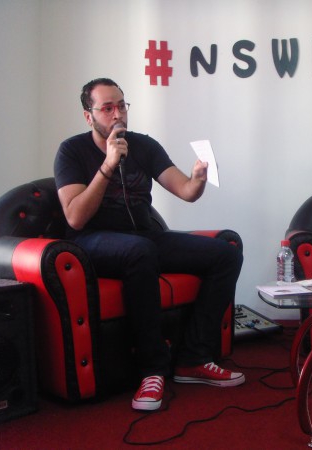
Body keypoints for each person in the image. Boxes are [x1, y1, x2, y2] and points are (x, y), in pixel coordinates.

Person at [54, 78, 245, 411]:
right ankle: (152, 369)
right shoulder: (71, 151)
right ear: (89, 116)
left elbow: (185, 191)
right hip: (91, 241)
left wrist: (198, 179)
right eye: (107, 108)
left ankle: (193, 358)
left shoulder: (144, 146)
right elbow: (75, 217)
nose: (118, 114)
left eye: (121, 105)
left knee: (225, 254)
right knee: (139, 252)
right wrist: (108, 165)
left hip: (144, 237)